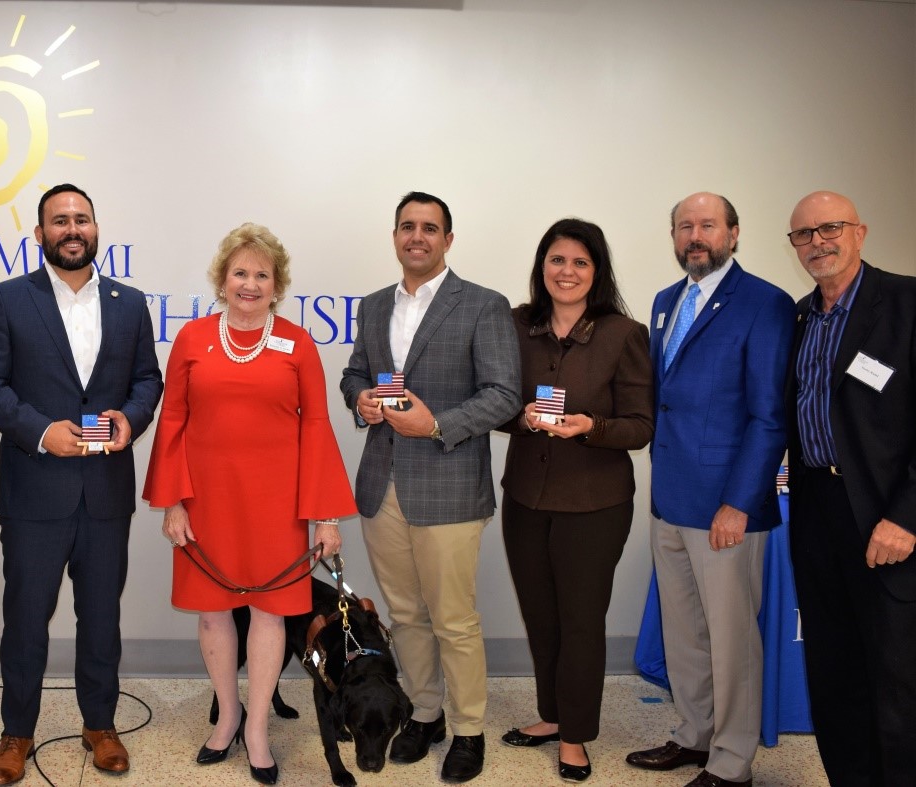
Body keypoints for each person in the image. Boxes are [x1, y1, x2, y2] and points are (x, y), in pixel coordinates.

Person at [144, 222, 355, 785]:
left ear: (277, 284)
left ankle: (257, 727)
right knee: (213, 610)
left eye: (262, 274)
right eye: (240, 272)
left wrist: (325, 516)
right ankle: (227, 713)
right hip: (206, 502)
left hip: (277, 505)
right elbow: (173, 422)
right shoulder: (191, 339)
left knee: (269, 613)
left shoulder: (298, 342)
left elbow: (316, 426)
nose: (250, 283)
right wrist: (173, 503)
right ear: (222, 279)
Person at [0, 183, 163, 783]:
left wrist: (131, 419)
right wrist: (38, 430)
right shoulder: (7, 300)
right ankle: (16, 732)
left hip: (105, 492)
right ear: (40, 234)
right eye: (60, 221)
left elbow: (147, 381)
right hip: (34, 490)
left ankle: (99, 725)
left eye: (81, 219)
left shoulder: (129, 303)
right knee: (25, 618)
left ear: (97, 230)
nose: (72, 229)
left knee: (101, 615)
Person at [339, 191, 521, 784]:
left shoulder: (483, 305)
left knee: (454, 620)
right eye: (407, 227)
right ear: (395, 236)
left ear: (448, 239)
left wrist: (437, 424)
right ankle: (425, 713)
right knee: (405, 614)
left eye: (430, 228)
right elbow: (354, 372)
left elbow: (503, 395)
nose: (417, 236)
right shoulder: (371, 307)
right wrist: (360, 399)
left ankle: (469, 730)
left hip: (447, 485)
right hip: (381, 484)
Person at [626, 192, 794, 787]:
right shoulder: (666, 301)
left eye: (707, 225)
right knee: (686, 634)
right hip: (670, 499)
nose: (695, 235)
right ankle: (695, 736)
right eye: (684, 226)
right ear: (673, 236)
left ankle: (731, 763)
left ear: (734, 232)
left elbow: (770, 415)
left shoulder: (765, 303)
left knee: (731, 643)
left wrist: (740, 503)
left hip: (727, 508)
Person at [497, 218, 653, 783]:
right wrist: (521, 417)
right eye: (557, 260)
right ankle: (552, 715)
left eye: (580, 262)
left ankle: (576, 734)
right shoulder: (516, 324)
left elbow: (641, 425)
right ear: (542, 267)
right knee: (541, 617)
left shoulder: (623, 333)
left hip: (595, 504)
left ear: (597, 271)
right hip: (526, 498)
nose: (567, 272)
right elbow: (496, 400)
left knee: (581, 622)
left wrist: (591, 426)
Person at [784, 191, 916, 785]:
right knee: (833, 669)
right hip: (816, 511)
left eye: (830, 228)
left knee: (896, 676)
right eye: (804, 235)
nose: (818, 242)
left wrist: (907, 516)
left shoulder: (907, 303)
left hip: (885, 519)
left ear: (859, 232)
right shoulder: (799, 316)